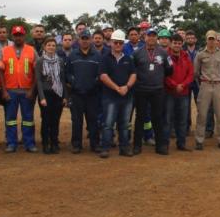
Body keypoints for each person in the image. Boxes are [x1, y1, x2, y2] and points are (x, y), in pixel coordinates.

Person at [131, 28, 172, 155]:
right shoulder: (137, 53)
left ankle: (160, 146)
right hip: (141, 90)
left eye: (154, 36)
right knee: (140, 118)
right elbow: (132, 70)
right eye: (149, 36)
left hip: (157, 90)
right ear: (145, 38)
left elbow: (170, 69)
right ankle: (137, 146)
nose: (152, 38)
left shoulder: (164, 53)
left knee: (157, 118)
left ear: (157, 38)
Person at [0, 25, 38, 153]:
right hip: (10, 91)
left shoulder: (32, 50)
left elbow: (37, 72)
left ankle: (29, 143)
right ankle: (11, 143)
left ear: (24, 35)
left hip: (27, 91)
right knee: (10, 119)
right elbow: (0, 71)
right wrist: (4, 90)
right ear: (12, 36)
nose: (18, 37)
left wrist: (32, 90)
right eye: (16, 35)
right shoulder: (4, 50)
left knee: (28, 119)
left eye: (20, 35)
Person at [99, 29, 137, 157]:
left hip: (127, 97)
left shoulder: (128, 58)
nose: (118, 45)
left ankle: (124, 148)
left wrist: (127, 86)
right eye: (116, 42)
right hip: (110, 97)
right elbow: (103, 76)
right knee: (108, 124)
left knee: (124, 124)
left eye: (120, 43)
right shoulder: (105, 59)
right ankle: (105, 148)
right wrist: (117, 88)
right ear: (111, 43)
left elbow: (133, 74)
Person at [66, 30, 102, 154]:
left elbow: (101, 73)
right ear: (79, 40)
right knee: (77, 121)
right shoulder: (72, 55)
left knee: (93, 120)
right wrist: (73, 81)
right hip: (77, 94)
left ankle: (95, 144)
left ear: (90, 40)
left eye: (87, 38)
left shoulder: (97, 55)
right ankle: (76, 145)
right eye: (83, 38)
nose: (85, 40)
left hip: (93, 94)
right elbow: (67, 73)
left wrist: (95, 82)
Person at [194, 30, 220, 150]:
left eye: (213, 39)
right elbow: (196, 72)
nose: (211, 41)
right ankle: (199, 140)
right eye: (209, 39)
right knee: (202, 114)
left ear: (216, 40)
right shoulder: (200, 54)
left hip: (218, 85)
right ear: (206, 40)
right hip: (205, 85)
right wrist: (203, 81)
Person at [36, 37, 67, 154]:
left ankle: (54, 143)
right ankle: (45, 144)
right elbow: (38, 80)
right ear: (44, 47)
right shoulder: (40, 61)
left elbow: (62, 79)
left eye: (53, 45)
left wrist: (65, 96)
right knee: (46, 120)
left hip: (58, 93)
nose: (51, 47)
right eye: (49, 45)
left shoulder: (60, 61)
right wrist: (42, 97)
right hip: (46, 94)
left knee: (55, 120)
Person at [164, 33, 194, 151]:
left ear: (182, 44)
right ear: (171, 44)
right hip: (169, 93)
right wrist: (174, 85)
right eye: (175, 43)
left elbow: (191, 74)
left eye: (179, 43)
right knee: (167, 119)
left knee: (182, 119)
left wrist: (183, 85)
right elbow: (164, 75)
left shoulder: (186, 56)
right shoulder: (165, 56)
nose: (177, 45)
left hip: (183, 93)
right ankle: (165, 144)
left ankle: (181, 144)